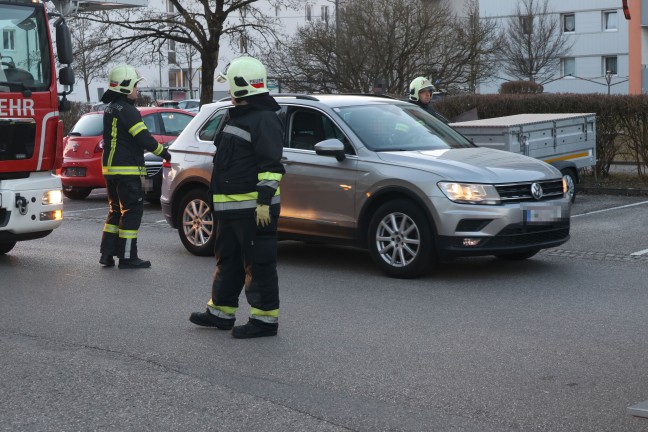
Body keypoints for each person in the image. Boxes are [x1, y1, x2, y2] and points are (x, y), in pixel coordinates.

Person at [189, 56, 285, 339]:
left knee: (259, 264)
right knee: (228, 261)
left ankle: (265, 321)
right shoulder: (238, 115)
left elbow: (271, 166)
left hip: (255, 210)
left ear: (239, 86)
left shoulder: (264, 119)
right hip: (230, 209)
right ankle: (221, 312)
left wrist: (265, 201)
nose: (227, 91)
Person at [98, 65, 171, 269]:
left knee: (115, 211)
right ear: (125, 87)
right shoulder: (129, 111)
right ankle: (128, 257)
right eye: (135, 86)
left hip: (110, 170)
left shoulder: (110, 108)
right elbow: (142, 138)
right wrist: (164, 153)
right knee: (132, 211)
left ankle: (107, 254)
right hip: (128, 170)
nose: (137, 90)